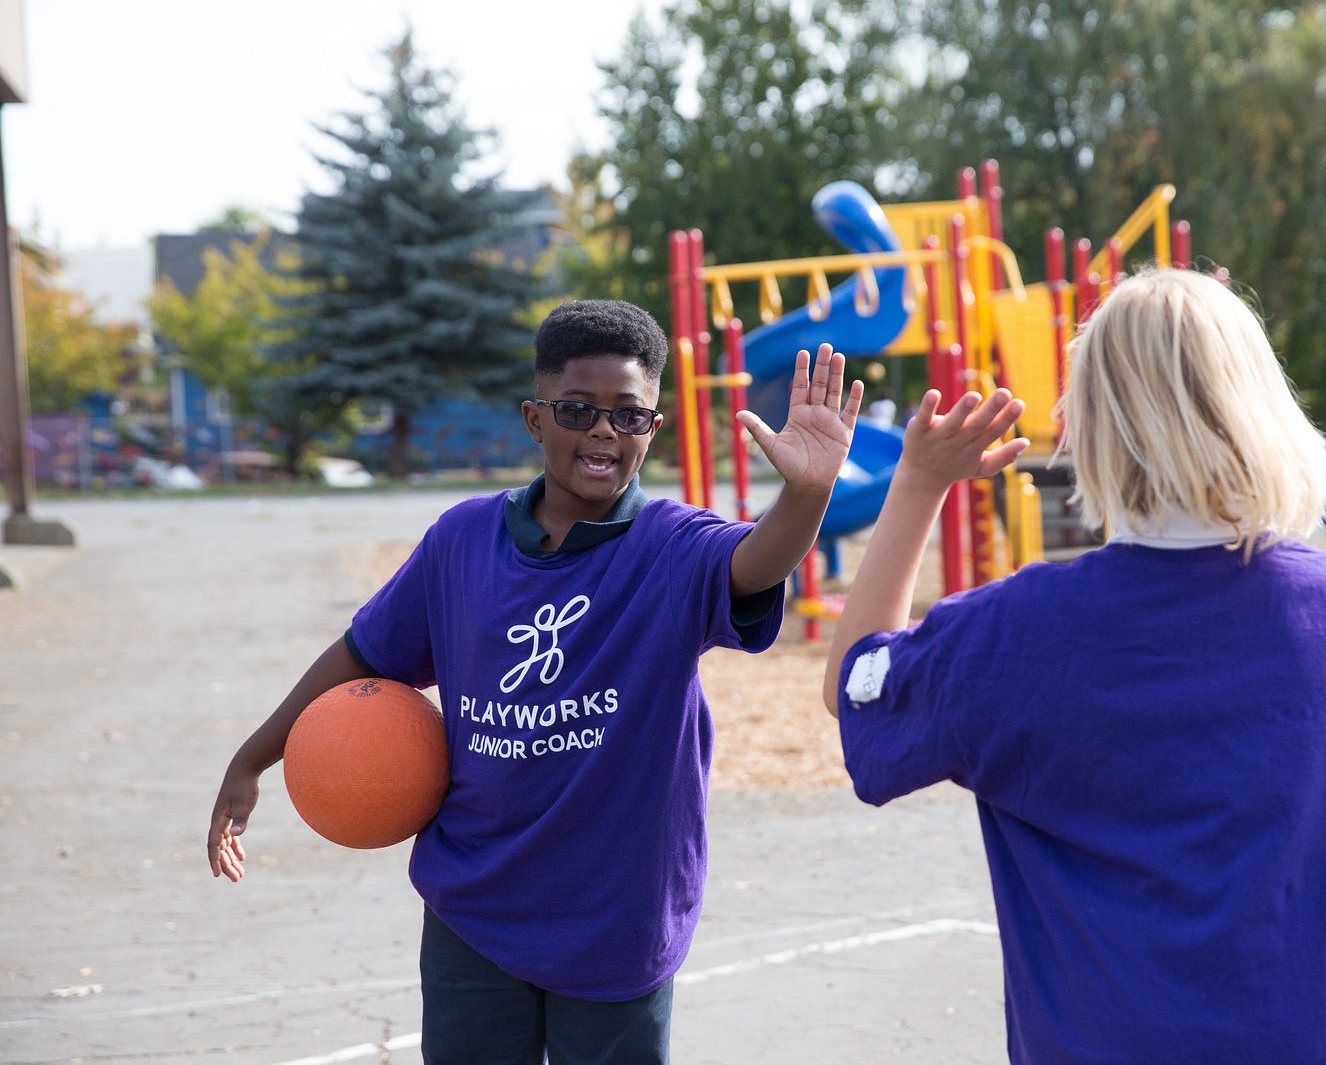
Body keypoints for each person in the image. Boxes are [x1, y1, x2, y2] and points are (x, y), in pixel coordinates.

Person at [823, 268, 1326, 1064]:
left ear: (1084, 426)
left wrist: (917, 483)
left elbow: (854, 685)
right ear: (1263, 404)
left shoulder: (1013, 630)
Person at [209, 299, 864, 1063]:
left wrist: (808, 493)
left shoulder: (671, 547)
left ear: (652, 428)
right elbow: (363, 653)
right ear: (534, 418)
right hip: (474, 907)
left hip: (615, 919)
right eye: (578, 409)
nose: (604, 431)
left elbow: (755, 562)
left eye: (629, 416)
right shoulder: (462, 542)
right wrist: (253, 757)